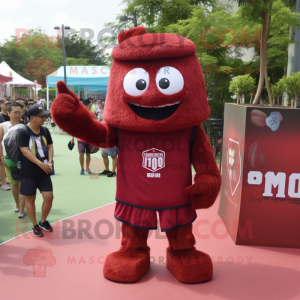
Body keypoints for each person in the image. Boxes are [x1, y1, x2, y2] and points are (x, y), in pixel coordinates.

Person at [17, 103, 54, 237]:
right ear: (32, 117)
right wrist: (41, 164)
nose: (45, 118)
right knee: (30, 198)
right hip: (29, 172)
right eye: (42, 116)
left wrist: (49, 162)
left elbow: (50, 146)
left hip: (45, 171)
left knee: (49, 197)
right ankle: (35, 225)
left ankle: (43, 221)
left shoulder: (44, 130)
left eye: (45, 116)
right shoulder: (23, 131)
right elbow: (25, 151)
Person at [0, 103, 27, 217]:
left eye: (20, 112)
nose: (18, 114)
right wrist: (2, 158)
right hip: (9, 159)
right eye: (15, 112)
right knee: (15, 184)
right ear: (9, 113)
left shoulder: (25, 125)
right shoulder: (3, 125)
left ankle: (22, 207)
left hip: (25, 158)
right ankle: (18, 205)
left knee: (25, 183)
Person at [72, 99, 98, 175]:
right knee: (81, 153)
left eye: (91, 105)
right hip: (80, 138)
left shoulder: (92, 114)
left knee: (88, 153)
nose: (91, 107)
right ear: (85, 105)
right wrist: (72, 138)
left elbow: (96, 123)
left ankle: (88, 168)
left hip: (89, 138)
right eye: (90, 105)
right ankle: (82, 168)